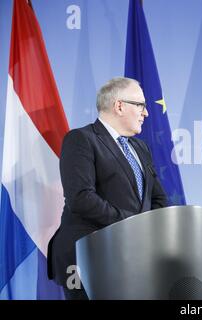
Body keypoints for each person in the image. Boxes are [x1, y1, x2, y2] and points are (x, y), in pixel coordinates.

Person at [47, 77, 167, 300]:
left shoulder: (140, 147)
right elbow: (81, 198)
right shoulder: (82, 139)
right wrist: (132, 224)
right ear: (119, 106)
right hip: (89, 256)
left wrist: (152, 229)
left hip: (133, 257)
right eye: (140, 105)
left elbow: (157, 197)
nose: (146, 113)